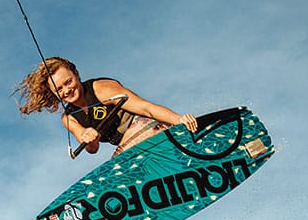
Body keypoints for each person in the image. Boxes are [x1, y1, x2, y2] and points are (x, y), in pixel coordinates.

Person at [16, 56, 198, 156]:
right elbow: (92, 149)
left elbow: (146, 108)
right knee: (120, 167)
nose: (67, 90)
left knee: (120, 161)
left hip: (147, 128)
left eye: (68, 81)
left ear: (77, 74)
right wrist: (89, 138)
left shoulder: (102, 89)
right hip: (129, 145)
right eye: (60, 89)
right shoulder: (68, 118)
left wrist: (179, 120)